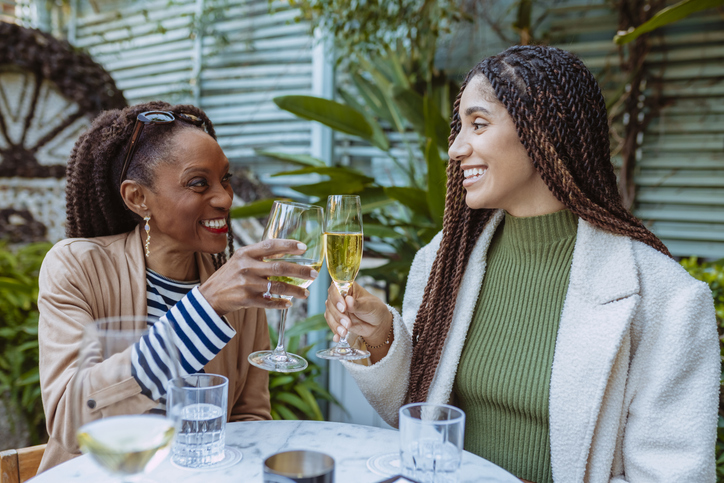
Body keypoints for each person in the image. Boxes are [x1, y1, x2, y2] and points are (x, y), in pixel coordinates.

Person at [323, 46, 719, 482]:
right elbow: (413, 413)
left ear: (542, 132)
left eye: (478, 124)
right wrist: (380, 337)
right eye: (460, 128)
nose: (455, 148)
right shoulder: (443, 259)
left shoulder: (667, 301)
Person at [37, 101, 318, 471]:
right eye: (198, 183)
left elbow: (250, 418)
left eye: (225, 179)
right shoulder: (77, 266)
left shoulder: (239, 287)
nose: (225, 198)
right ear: (137, 197)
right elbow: (71, 419)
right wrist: (204, 308)